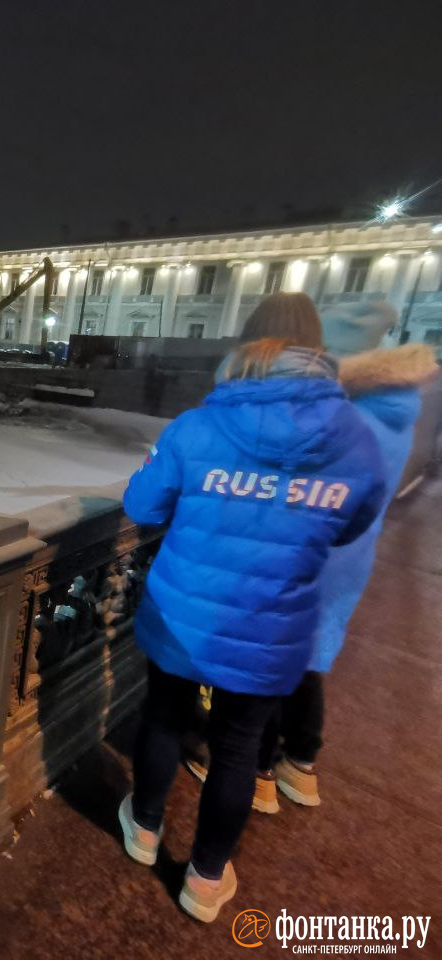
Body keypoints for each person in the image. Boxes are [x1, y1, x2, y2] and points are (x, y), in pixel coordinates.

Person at [116, 292, 386, 923]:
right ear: (318, 349)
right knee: (238, 750)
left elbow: (142, 507)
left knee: (163, 718)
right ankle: (206, 881)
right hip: (272, 622)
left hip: (186, 615)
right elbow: (350, 525)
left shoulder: (199, 425)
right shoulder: (357, 439)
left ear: (245, 341)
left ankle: (145, 829)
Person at [260, 303, 438, 806]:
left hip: (305, 552)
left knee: (274, 657)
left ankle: (259, 772)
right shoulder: (397, 409)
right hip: (353, 550)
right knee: (311, 655)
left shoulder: (330, 411)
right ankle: (302, 762)